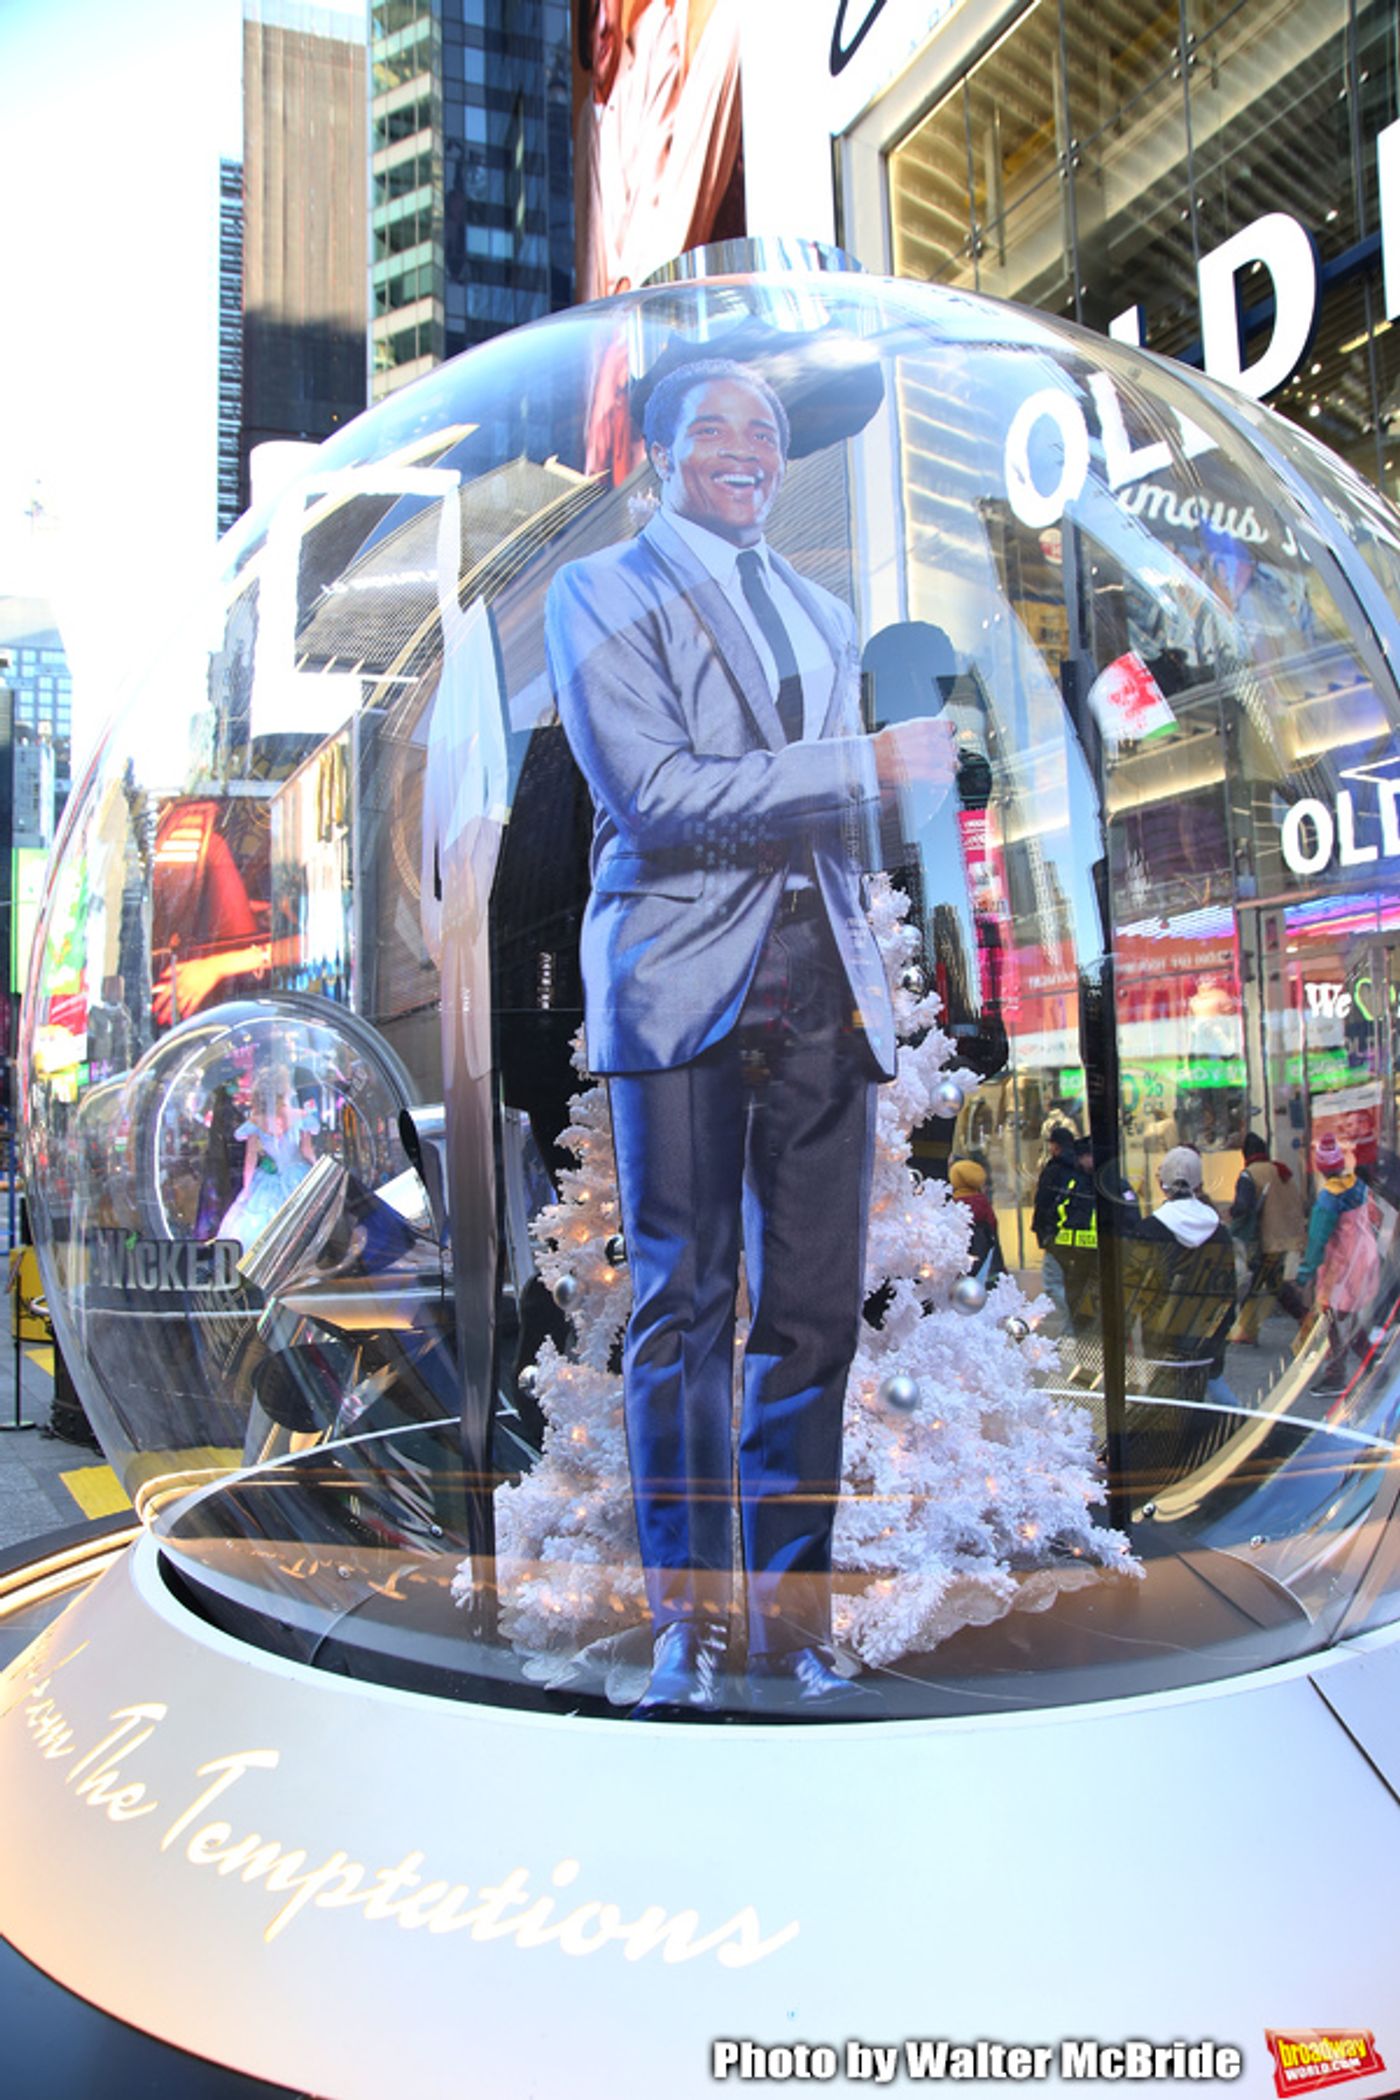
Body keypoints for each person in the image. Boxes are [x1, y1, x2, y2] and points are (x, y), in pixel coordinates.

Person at [545, 356, 956, 1715]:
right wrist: (865, 768)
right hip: (678, 977)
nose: (743, 447)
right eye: (712, 425)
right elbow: (656, 796)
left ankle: (792, 1630)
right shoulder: (600, 590)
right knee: (679, 1312)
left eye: (764, 431)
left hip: (821, 981)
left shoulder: (825, 613)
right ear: (662, 451)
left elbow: (837, 816)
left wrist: (915, 800)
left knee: (815, 1319)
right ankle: (693, 1636)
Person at [1128, 1145, 1238, 1410]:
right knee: (1199, 1401)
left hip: (1162, 1337)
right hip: (1208, 1336)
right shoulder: (1218, 1231)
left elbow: (1134, 1291)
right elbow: (1229, 1290)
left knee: (1164, 1409)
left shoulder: (1149, 1230)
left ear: (1161, 1183)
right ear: (1199, 1183)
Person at [1297, 1130, 1381, 1398]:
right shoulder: (1358, 1185)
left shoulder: (1328, 1198)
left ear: (1321, 1168)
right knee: (1346, 1317)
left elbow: (1318, 1237)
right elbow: (1375, 1217)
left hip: (1342, 1267)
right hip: (1365, 1259)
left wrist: (1306, 1270)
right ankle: (1370, 1366)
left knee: (1336, 1321)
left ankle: (1340, 1374)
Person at [217, 1065, 319, 1254]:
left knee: (257, 1227)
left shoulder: (256, 1122)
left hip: (267, 1181)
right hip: (298, 1174)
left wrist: (247, 1190)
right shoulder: (300, 1116)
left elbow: (250, 1159)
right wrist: (316, 1169)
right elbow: (306, 1150)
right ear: (285, 1089)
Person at [1228, 1130, 1307, 1343]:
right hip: (1282, 1236)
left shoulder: (1249, 1174)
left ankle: (1248, 1329)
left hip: (1262, 1239)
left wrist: (1232, 1214)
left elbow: (1243, 1207)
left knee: (1259, 1284)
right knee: (1269, 1282)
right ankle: (1248, 1329)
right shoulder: (1278, 1170)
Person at [948, 1158, 1006, 1283]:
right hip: (983, 1262)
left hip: (959, 1266)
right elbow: (993, 1230)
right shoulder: (982, 1203)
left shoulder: (952, 1204)